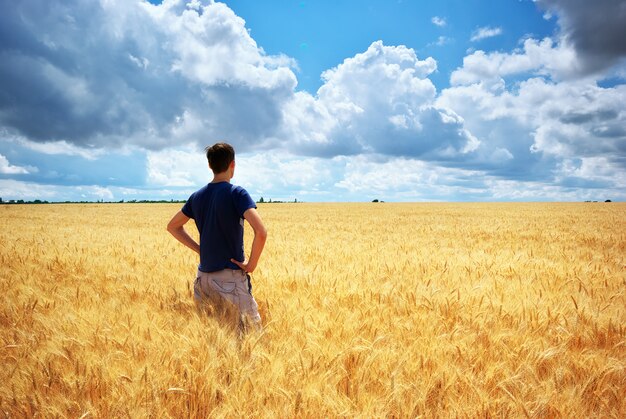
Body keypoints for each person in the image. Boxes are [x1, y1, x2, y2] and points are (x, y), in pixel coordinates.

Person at [167, 142, 267, 332]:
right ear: (233, 165)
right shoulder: (237, 193)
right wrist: (251, 265)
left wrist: (200, 249)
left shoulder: (197, 196)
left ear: (209, 166)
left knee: (212, 338)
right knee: (251, 337)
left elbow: (173, 226)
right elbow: (261, 231)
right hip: (229, 279)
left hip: (203, 279)